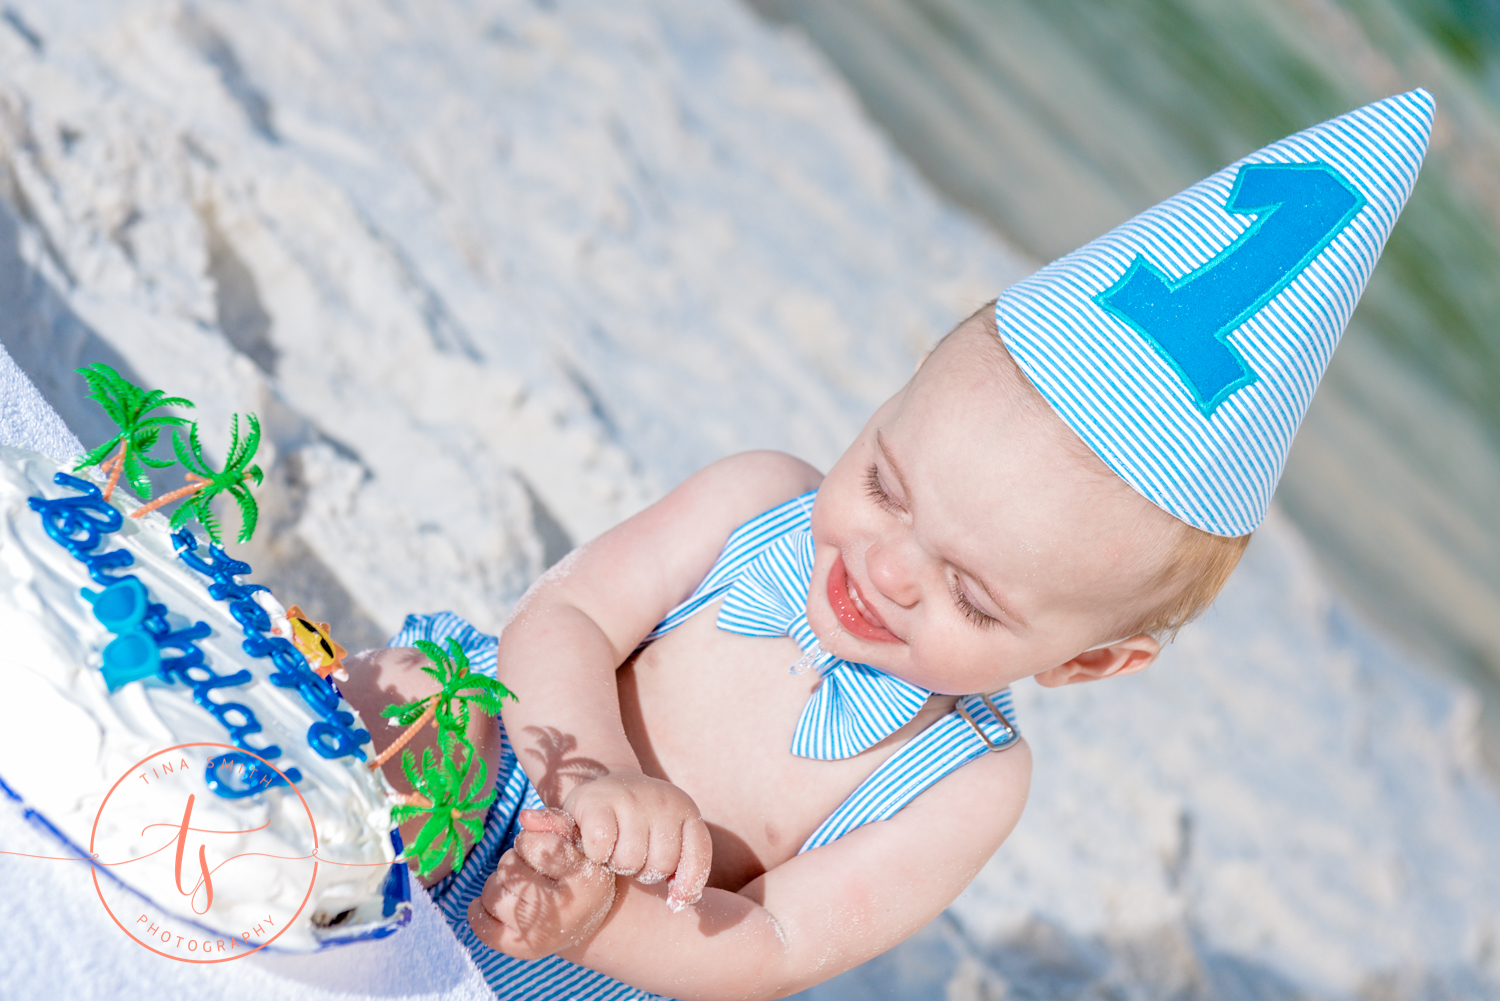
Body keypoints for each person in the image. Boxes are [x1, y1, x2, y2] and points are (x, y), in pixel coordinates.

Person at [338, 89, 1434, 1000]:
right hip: (510, 768)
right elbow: (561, 618)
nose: (890, 567)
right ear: (881, 410)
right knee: (412, 705)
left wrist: (599, 913)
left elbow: (772, 940)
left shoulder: (969, 783)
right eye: (884, 482)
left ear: (1090, 658)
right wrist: (598, 780)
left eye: (971, 594)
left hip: (604, 958)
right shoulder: (756, 497)